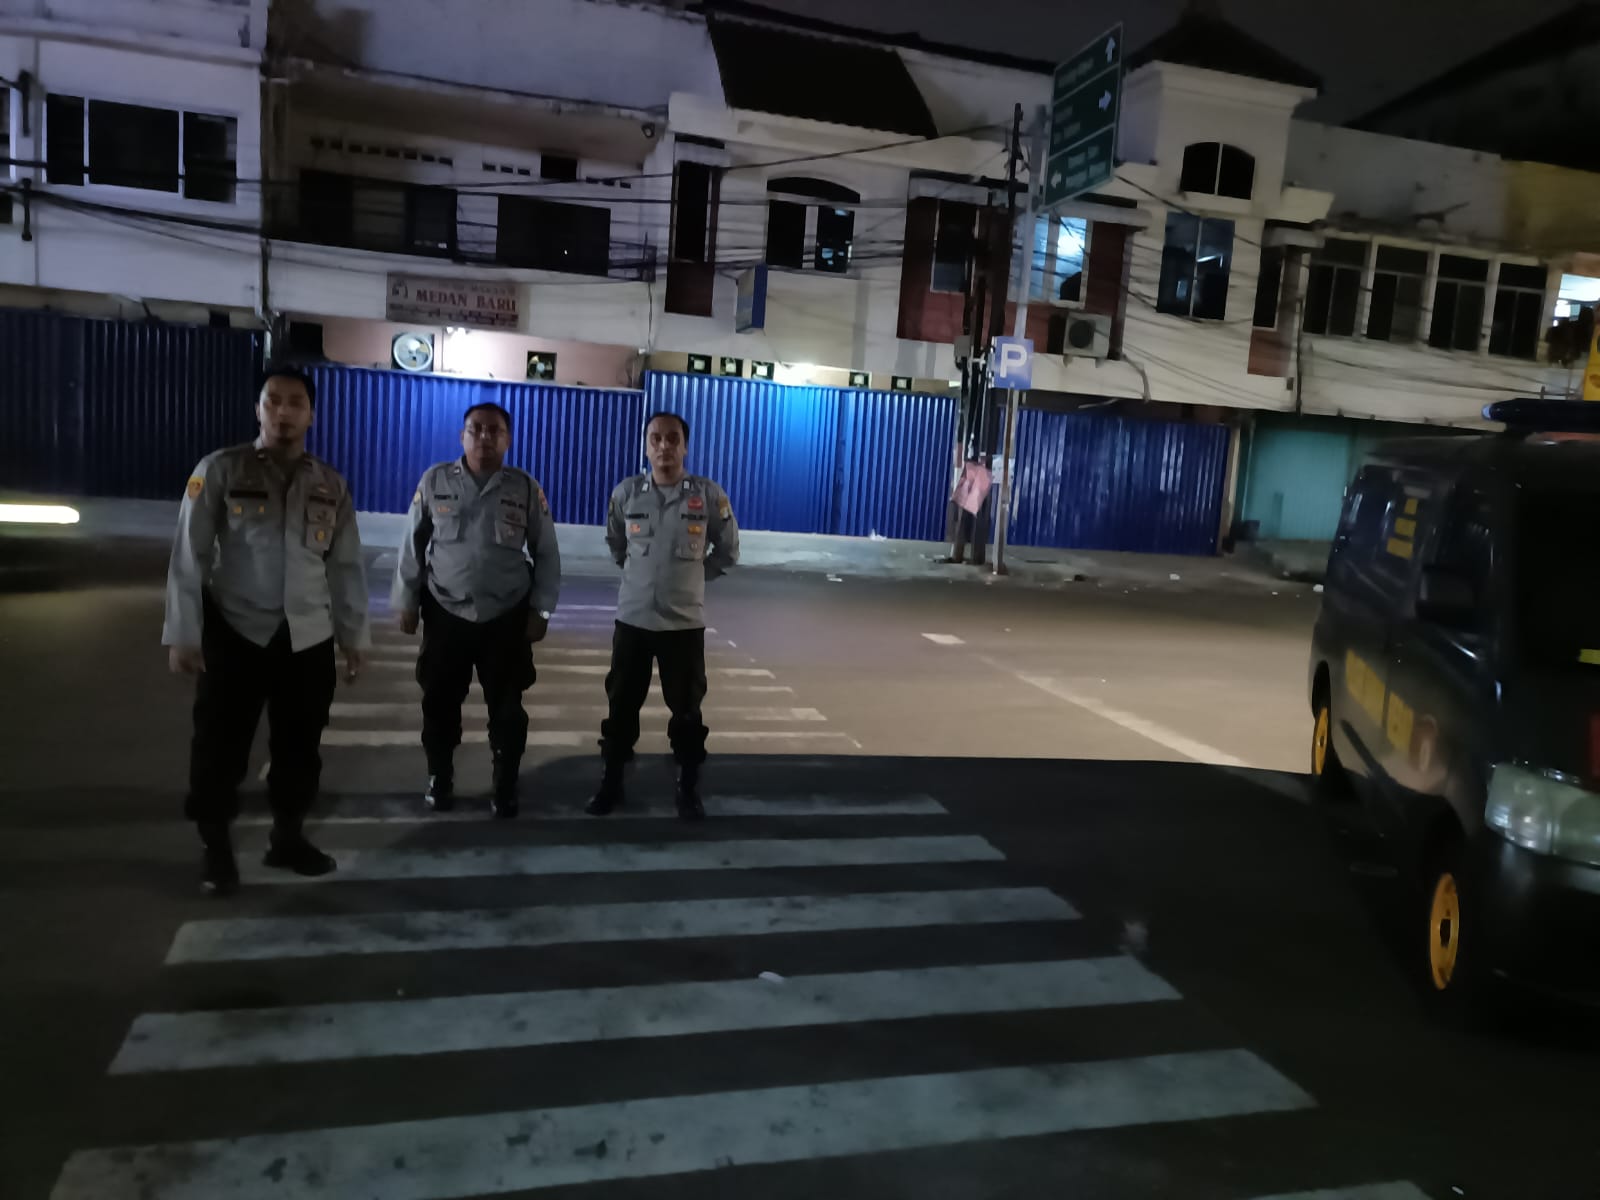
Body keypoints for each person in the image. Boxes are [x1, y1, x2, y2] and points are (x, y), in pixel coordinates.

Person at [163, 364, 369, 896]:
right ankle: (216, 847)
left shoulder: (330, 484)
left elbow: (345, 566)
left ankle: (287, 838)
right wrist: (183, 632)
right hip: (236, 631)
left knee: (300, 748)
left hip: (307, 637)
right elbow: (189, 555)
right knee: (220, 746)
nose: (283, 412)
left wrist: (353, 637)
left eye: (295, 402)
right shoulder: (220, 469)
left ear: (312, 415)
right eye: (273, 400)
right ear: (258, 409)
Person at [392, 402, 561, 818]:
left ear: (508, 439)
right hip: (446, 612)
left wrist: (541, 611)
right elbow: (412, 543)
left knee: (508, 709)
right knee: (439, 703)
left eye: (494, 430)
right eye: (476, 429)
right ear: (462, 436)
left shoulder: (524, 488)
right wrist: (406, 599)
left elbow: (546, 552)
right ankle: (439, 776)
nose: (485, 437)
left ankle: (505, 784)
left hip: (506, 617)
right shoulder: (435, 481)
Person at [587, 411, 739, 820]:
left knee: (687, 713)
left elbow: (727, 550)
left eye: (673, 439)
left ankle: (688, 788)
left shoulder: (707, 495)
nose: (664, 446)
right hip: (633, 621)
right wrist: (640, 576)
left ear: (685, 446)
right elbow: (616, 543)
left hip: (682, 625)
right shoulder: (627, 493)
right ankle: (611, 783)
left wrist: (693, 577)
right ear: (646, 445)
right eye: (655, 438)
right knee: (621, 708)